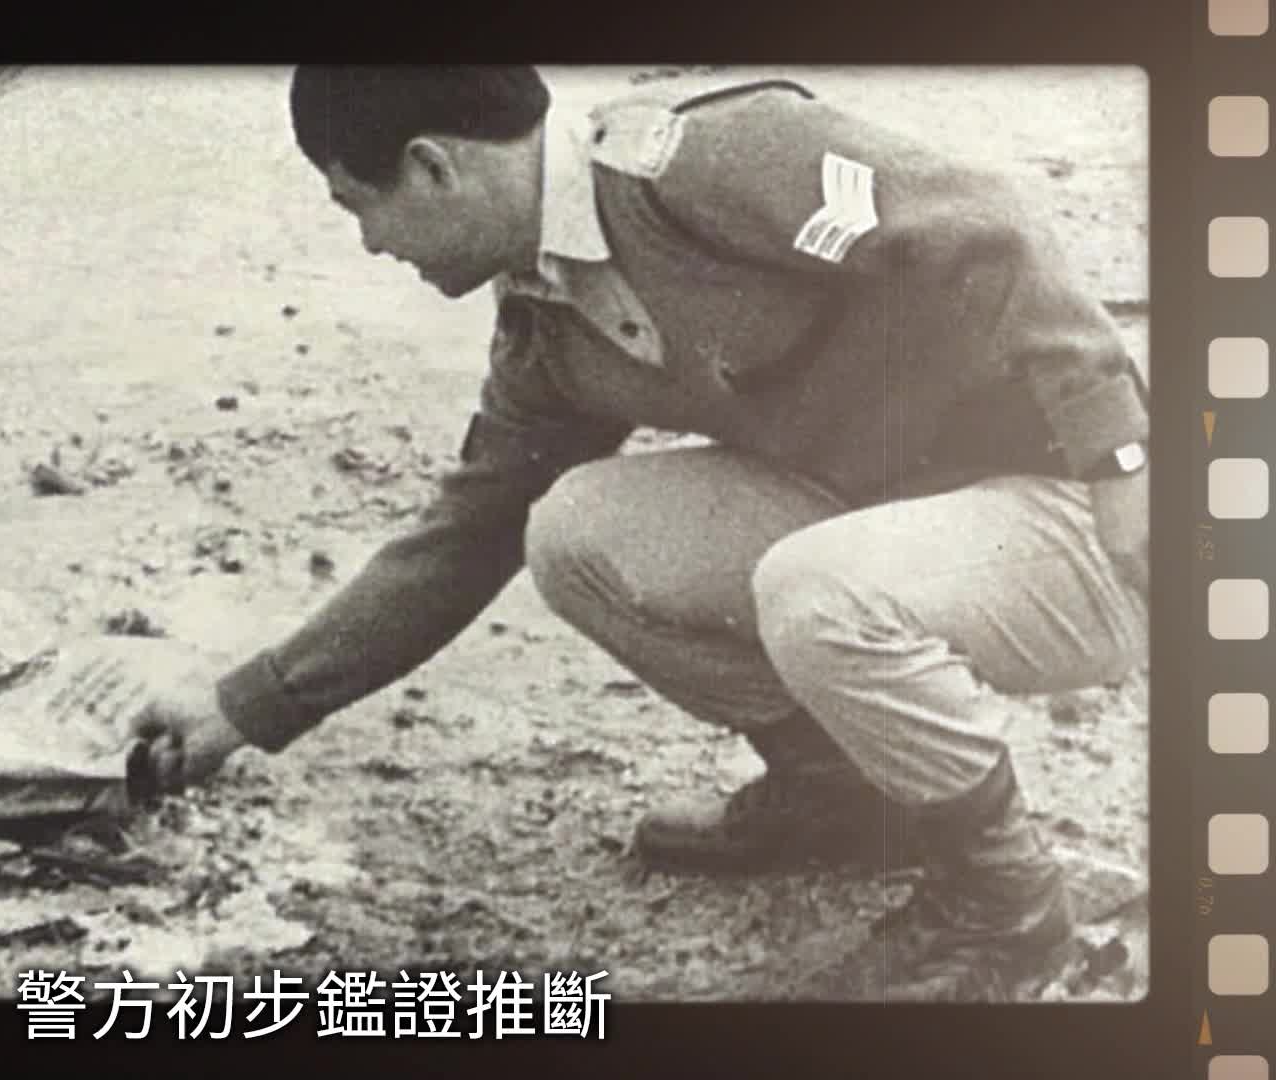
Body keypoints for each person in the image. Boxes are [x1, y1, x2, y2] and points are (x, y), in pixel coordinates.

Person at [133, 65, 1149, 1002]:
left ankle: (1008, 904)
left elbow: (984, 223)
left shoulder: (702, 163)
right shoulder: (546, 313)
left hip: (1084, 517)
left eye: (361, 206)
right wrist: (246, 709)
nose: (370, 244)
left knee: (816, 586)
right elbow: (462, 538)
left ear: (434, 166)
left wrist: (1121, 458)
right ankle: (843, 799)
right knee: (573, 535)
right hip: (904, 537)